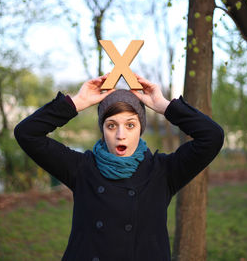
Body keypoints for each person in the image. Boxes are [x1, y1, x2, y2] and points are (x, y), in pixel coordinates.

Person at [14, 74, 224, 261]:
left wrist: (164, 106)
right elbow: (27, 133)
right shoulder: (82, 169)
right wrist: (76, 102)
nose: (120, 134)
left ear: (140, 128)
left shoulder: (163, 172)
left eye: (130, 125)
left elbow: (212, 137)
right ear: (103, 129)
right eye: (111, 125)